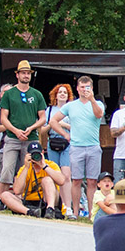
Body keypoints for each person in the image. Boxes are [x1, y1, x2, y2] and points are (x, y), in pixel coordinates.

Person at [51, 75, 105, 221]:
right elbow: (53, 121)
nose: (84, 90)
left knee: (93, 181)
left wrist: (92, 99)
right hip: (76, 146)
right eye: (82, 87)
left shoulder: (98, 103)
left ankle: (91, 213)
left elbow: (99, 115)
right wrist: (65, 135)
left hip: (93, 146)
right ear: (77, 88)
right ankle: (75, 212)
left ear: (92, 88)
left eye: (87, 87)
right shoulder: (71, 105)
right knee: (76, 180)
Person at [0, 61, 48, 189]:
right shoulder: (9, 94)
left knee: (29, 168)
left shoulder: (36, 94)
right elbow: (3, 118)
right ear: (17, 75)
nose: (26, 76)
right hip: (12, 137)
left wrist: (31, 128)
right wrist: (16, 131)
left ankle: (26, 198)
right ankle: (3, 198)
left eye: (28, 73)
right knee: (7, 168)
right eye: (23, 73)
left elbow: (43, 118)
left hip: (31, 138)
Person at [0, 140, 66, 218]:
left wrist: (44, 166)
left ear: (42, 153)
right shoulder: (24, 168)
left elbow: (61, 181)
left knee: (47, 180)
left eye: (38, 154)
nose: (36, 157)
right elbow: (17, 191)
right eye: (33, 154)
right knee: (4, 195)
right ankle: (29, 212)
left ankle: (50, 210)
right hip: (29, 202)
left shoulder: (51, 165)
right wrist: (26, 167)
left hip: (46, 200)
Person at [44, 83, 76, 218]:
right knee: (53, 174)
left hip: (67, 143)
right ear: (55, 95)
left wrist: (60, 124)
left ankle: (68, 206)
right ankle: (54, 205)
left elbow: (76, 127)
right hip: (52, 142)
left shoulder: (72, 110)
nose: (62, 94)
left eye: (65, 92)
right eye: (60, 92)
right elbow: (44, 129)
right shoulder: (50, 110)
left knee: (66, 175)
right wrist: (52, 123)